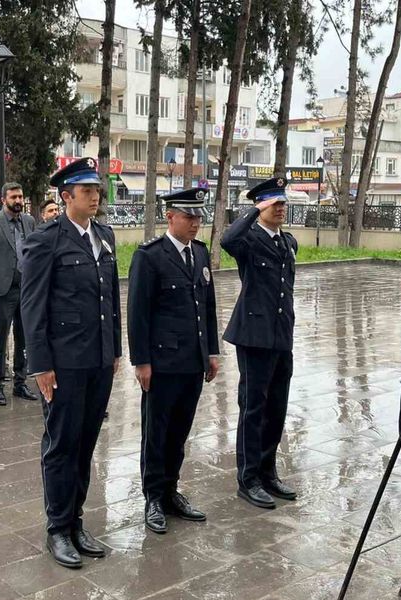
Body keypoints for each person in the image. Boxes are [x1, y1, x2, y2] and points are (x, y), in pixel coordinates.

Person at [21, 157, 122, 569]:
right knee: (62, 444)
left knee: (86, 443)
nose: (95, 196)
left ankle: (77, 520)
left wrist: (115, 349)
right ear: (66, 196)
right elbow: (32, 305)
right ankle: (58, 528)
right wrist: (41, 365)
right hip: (63, 363)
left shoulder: (105, 234)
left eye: (97, 189)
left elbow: (111, 298)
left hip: (98, 359)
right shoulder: (47, 238)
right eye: (87, 191)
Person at [128, 188, 220, 534]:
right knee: (157, 432)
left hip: (192, 362)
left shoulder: (200, 253)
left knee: (180, 431)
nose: (196, 223)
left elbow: (207, 308)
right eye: (189, 217)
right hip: (162, 363)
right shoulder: (150, 256)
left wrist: (211, 351)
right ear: (170, 216)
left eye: (199, 217)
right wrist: (142, 362)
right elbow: (138, 313)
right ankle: (152, 496)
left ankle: (170, 490)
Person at [221, 176, 298, 509]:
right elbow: (227, 239)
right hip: (254, 337)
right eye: (273, 204)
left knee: (276, 407)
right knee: (253, 407)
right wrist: (254, 211)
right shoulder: (248, 241)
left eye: (282, 203)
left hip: (281, 335)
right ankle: (248, 478)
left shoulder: (287, 242)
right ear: (261, 206)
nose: (280, 208)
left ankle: (268, 470)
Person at [0, 182, 39, 406]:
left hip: (26, 289)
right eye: (14, 197)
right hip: (1, 291)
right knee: (0, 338)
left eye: (21, 197)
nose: (18, 201)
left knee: (24, 338)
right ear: (4, 199)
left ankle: (20, 383)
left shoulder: (29, 221)